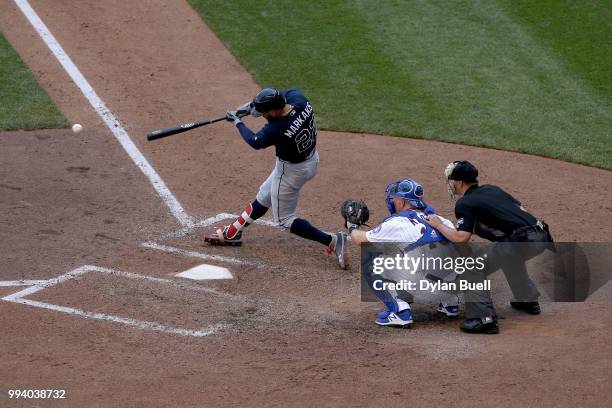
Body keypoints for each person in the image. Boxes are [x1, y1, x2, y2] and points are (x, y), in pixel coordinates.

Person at [204, 87, 347, 269]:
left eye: (264, 113)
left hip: (290, 172)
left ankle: (332, 240)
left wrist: (237, 121)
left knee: (284, 220)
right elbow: (281, 94)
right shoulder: (299, 100)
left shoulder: (278, 128)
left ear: (273, 111)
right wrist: (249, 108)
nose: (263, 115)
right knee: (265, 195)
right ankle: (233, 232)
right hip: (311, 160)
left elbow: (255, 141)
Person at [426, 160, 553, 334]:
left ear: (460, 182)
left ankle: (482, 318)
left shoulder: (465, 203)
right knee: (507, 253)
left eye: (451, 180)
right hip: (541, 235)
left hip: (521, 240)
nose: (450, 184)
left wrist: (438, 224)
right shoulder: (492, 189)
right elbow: (522, 209)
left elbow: (461, 237)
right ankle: (527, 300)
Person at [347, 178, 460, 327]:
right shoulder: (440, 220)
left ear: (402, 201)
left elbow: (360, 239)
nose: (392, 201)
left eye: (394, 198)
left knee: (372, 260)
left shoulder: (397, 223)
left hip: (427, 287)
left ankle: (400, 312)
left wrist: (352, 225)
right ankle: (450, 303)